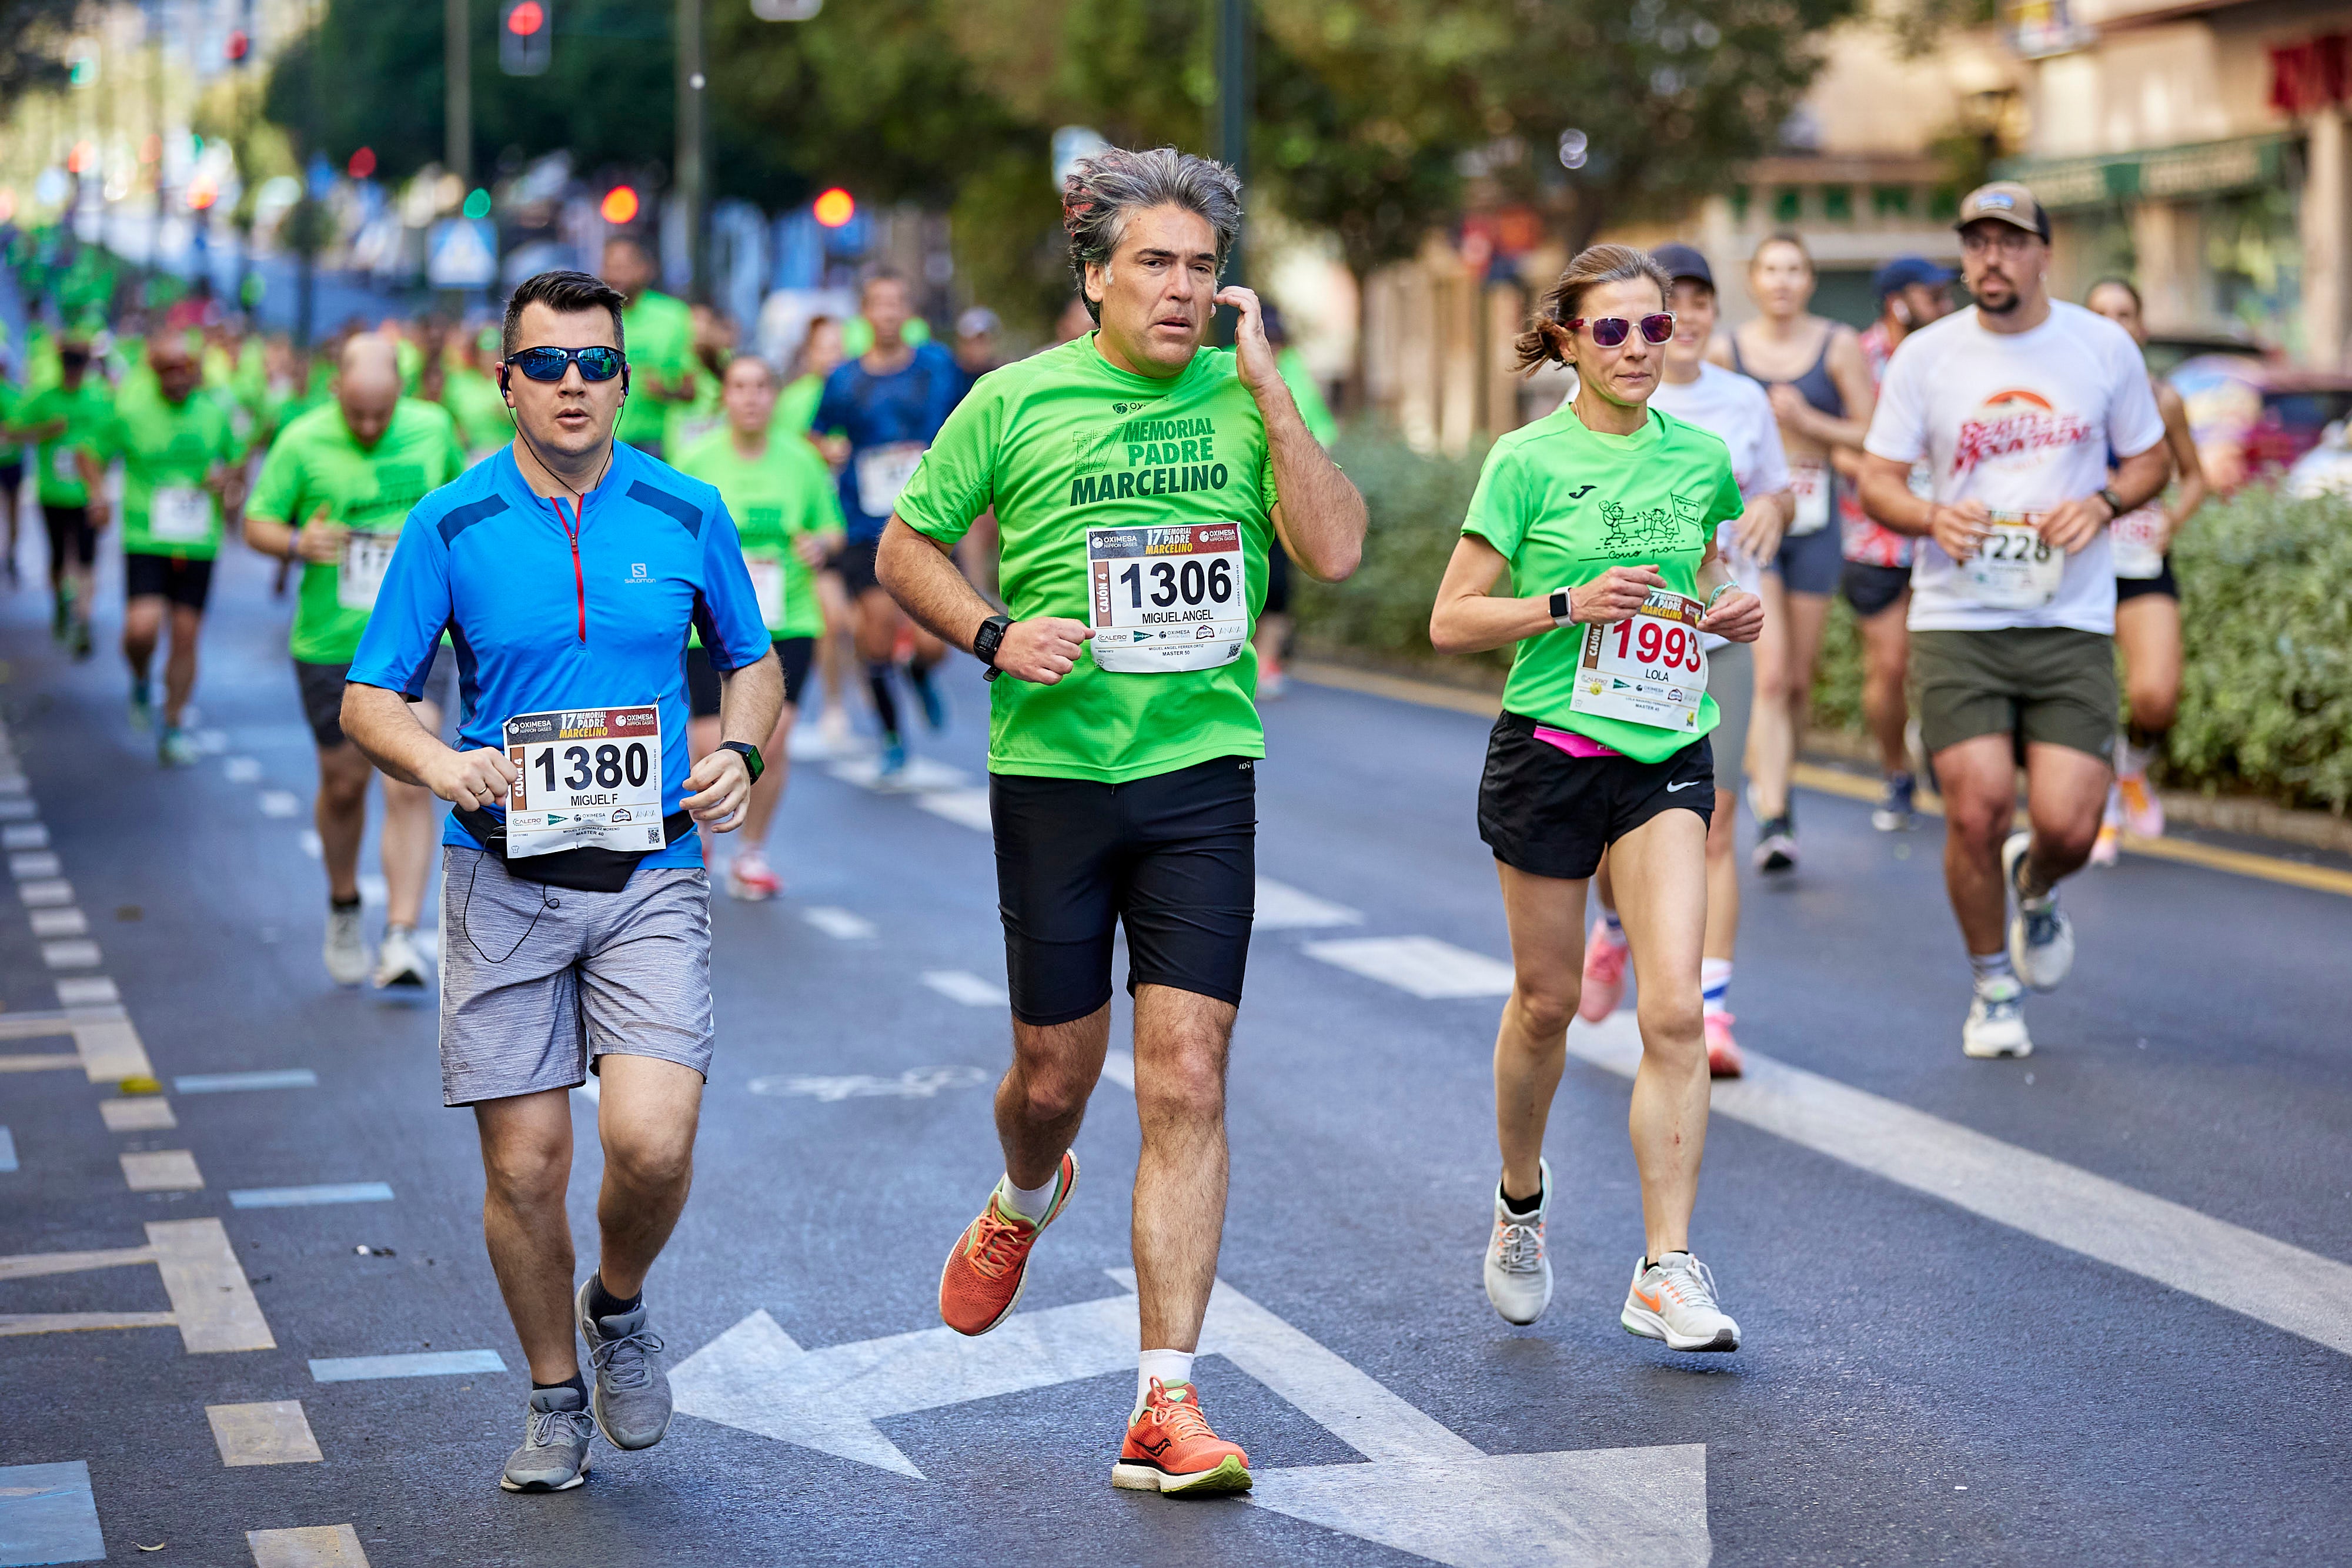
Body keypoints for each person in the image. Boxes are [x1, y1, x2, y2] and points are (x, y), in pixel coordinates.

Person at [878, 145, 1367, 1495]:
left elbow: (1334, 549)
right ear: (1094, 277)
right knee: (1052, 1078)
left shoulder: (1245, 400)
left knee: (1186, 1077)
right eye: (1153, 262)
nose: (1180, 287)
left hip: (1201, 773)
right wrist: (992, 632)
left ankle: (1164, 1400)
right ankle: (1026, 1193)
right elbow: (905, 546)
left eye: (1201, 267)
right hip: (1053, 776)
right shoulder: (1013, 399)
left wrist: (1271, 389)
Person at [342, 270, 780, 1495]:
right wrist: (443, 763)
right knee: (527, 1165)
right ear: (505, 382)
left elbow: (754, 661)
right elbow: (370, 695)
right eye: (546, 364)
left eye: (595, 363)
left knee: (650, 1142)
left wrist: (740, 751)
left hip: (651, 869)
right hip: (503, 873)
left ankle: (618, 1303)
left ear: (626, 380)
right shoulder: (450, 523)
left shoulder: (687, 510)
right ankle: (551, 1398)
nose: (572, 384)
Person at [1431, 244, 1765, 1343]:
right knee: (1548, 1003)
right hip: (1551, 750)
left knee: (1674, 1008)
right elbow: (1452, 619)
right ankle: (1520, 1199)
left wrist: (1727, 605)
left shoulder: (1701, 456)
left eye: (1654, 327)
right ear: (1569, 341)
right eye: (1611, 330)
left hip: (1666, 744)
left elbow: (1706, 572)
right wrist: (1567, 602)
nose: (1636, 348)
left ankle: (1667, 1265)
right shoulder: (1525, 459)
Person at [1857, 184, 2169, 1060]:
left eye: (2010, 240)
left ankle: (2035, 882)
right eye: (1976, 242)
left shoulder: (2100, 346)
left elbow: (2152, 460)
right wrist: (1930, 517)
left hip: (2071, 618)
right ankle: (1993, 984)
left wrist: (2101, 503)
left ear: (2044, 253)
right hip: (1958, 619)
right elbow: (1878, 479)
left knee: (2070, 825)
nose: (1991, 257)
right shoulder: (1928, 356)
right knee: (1978, 808)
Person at [1580, 242, 1791, 1078]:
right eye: (1676, 305)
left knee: (1715, 825)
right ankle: (1614, 924)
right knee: (1610, 838)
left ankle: (1713, 1010)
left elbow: (1774, 486)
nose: (1689, 318)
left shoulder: (1743, 401)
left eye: (1700, 302)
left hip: (1713, 640)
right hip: (1619, 649)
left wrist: (1771, 510)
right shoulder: (1611, 390)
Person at [244, 335, 470, 989]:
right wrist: (298, 540)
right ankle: (345, 903)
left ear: (402, 392)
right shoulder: (301, 441)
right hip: (332, 641)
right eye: (357, 413)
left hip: (420, 634)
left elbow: (464, 510)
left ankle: (400, 934)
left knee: (411, 770)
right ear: (334, 389)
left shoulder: (432, 429)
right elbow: (257, 523)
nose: (370, 426)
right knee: (344, 786)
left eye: (381, 412)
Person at [1712, 233, 1875, 873]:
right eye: (1771, 269)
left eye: (1794, 269)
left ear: (1810, 279)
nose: (1782, 281)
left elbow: (1872, 429)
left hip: (1814, 522)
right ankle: (1774, 813)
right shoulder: (1726, 350)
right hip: (1753, 527)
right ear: (1753, 280)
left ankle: (1777, 777)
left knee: (1798, 681)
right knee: (1772, 674)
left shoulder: (1837, 344)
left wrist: (1809, 422)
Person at [674, 353, 845, 899]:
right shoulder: (696, 459)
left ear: (775, 396)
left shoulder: (802, 461)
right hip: (711, 623)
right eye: (740, 387)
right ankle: (702, 835)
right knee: (710, 742)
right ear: (724, 397)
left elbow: (833, 529)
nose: (751, 397)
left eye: (761, 387)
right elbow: (670, 533)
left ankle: (752, 852)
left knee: (771, 737)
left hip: (786, 618)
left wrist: (820, 546)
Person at [815, 270, 962, 778]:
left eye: (897, 302)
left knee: (934, 644)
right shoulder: (844, 378)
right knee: (876, 637)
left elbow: (971, 414)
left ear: (908, 311)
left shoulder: (937, 366)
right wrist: (828, 448)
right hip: (866, 523)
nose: (889, 312)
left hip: (931, 517)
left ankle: (920, 674)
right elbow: (817, 430)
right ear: (866, 313)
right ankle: (892, 737)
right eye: (879, 303)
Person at [2083, 278, 2208, 864]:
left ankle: (2131, 769)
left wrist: (2172, 520)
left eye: (2124, 313)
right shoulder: (2062, 396)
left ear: (2142, 327)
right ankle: (2101, 805)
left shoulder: (2164, 400)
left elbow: (2195, 477)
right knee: (2089, 698)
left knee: (2155, 695)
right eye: (2100, 314)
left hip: (2140, 563)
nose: (2113, 324)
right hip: (2077, 565)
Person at [98, 331, 243, 765]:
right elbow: (89, 453)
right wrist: (96, 494)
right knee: (141, 630)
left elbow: (236, 462)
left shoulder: (214, 414)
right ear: (156, 372)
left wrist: (227, 482)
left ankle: (174, 726)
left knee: (185, 636)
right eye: (170, 371)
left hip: (198, 542)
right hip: (146, 538)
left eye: (187, 370)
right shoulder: (132, 412)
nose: (180, 378)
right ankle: (141, 676)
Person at [1849, 256, 1958, 829]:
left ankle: (1936, 743)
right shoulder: (1858, 358)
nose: (1947, 306)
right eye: (1933, 296)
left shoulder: (1955, 354)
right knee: (1889, 666)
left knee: (1939, 664)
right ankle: (1896, 772)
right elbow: (1839, 445)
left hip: (1944, 532)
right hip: (1874, 540)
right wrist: (1879, 480)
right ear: (1897, 302)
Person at [1249, 303, 1339, 697]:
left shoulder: (1295, 373)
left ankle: (1267, 663)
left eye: (1278, 340)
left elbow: (1323, 434)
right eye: (1267, 339)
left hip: (1282, 497)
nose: (1274, 347)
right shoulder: (1230, 366)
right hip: (1244, 498)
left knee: (1279, 586)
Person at [16, 336, 114, 657]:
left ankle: (83, 621)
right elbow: (11, 431)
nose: (73, 369)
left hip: (87, 495)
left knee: (86, 558)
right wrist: (45, 431)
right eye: (68, 362)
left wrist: (101, 486)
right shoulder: (43, 398)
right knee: (59, 556)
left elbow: (114, 441)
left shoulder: (99, 398)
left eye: (79, 363)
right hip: (53, 493)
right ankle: (60, 602)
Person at [601, 236, 696, 460]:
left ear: (645, 269)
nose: (616, 275)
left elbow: (691, 390)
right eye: (610, 266)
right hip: (602, 437)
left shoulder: (673, 317)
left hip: (654, 441)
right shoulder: (593, 315)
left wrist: (665, 390)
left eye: (624, 267)